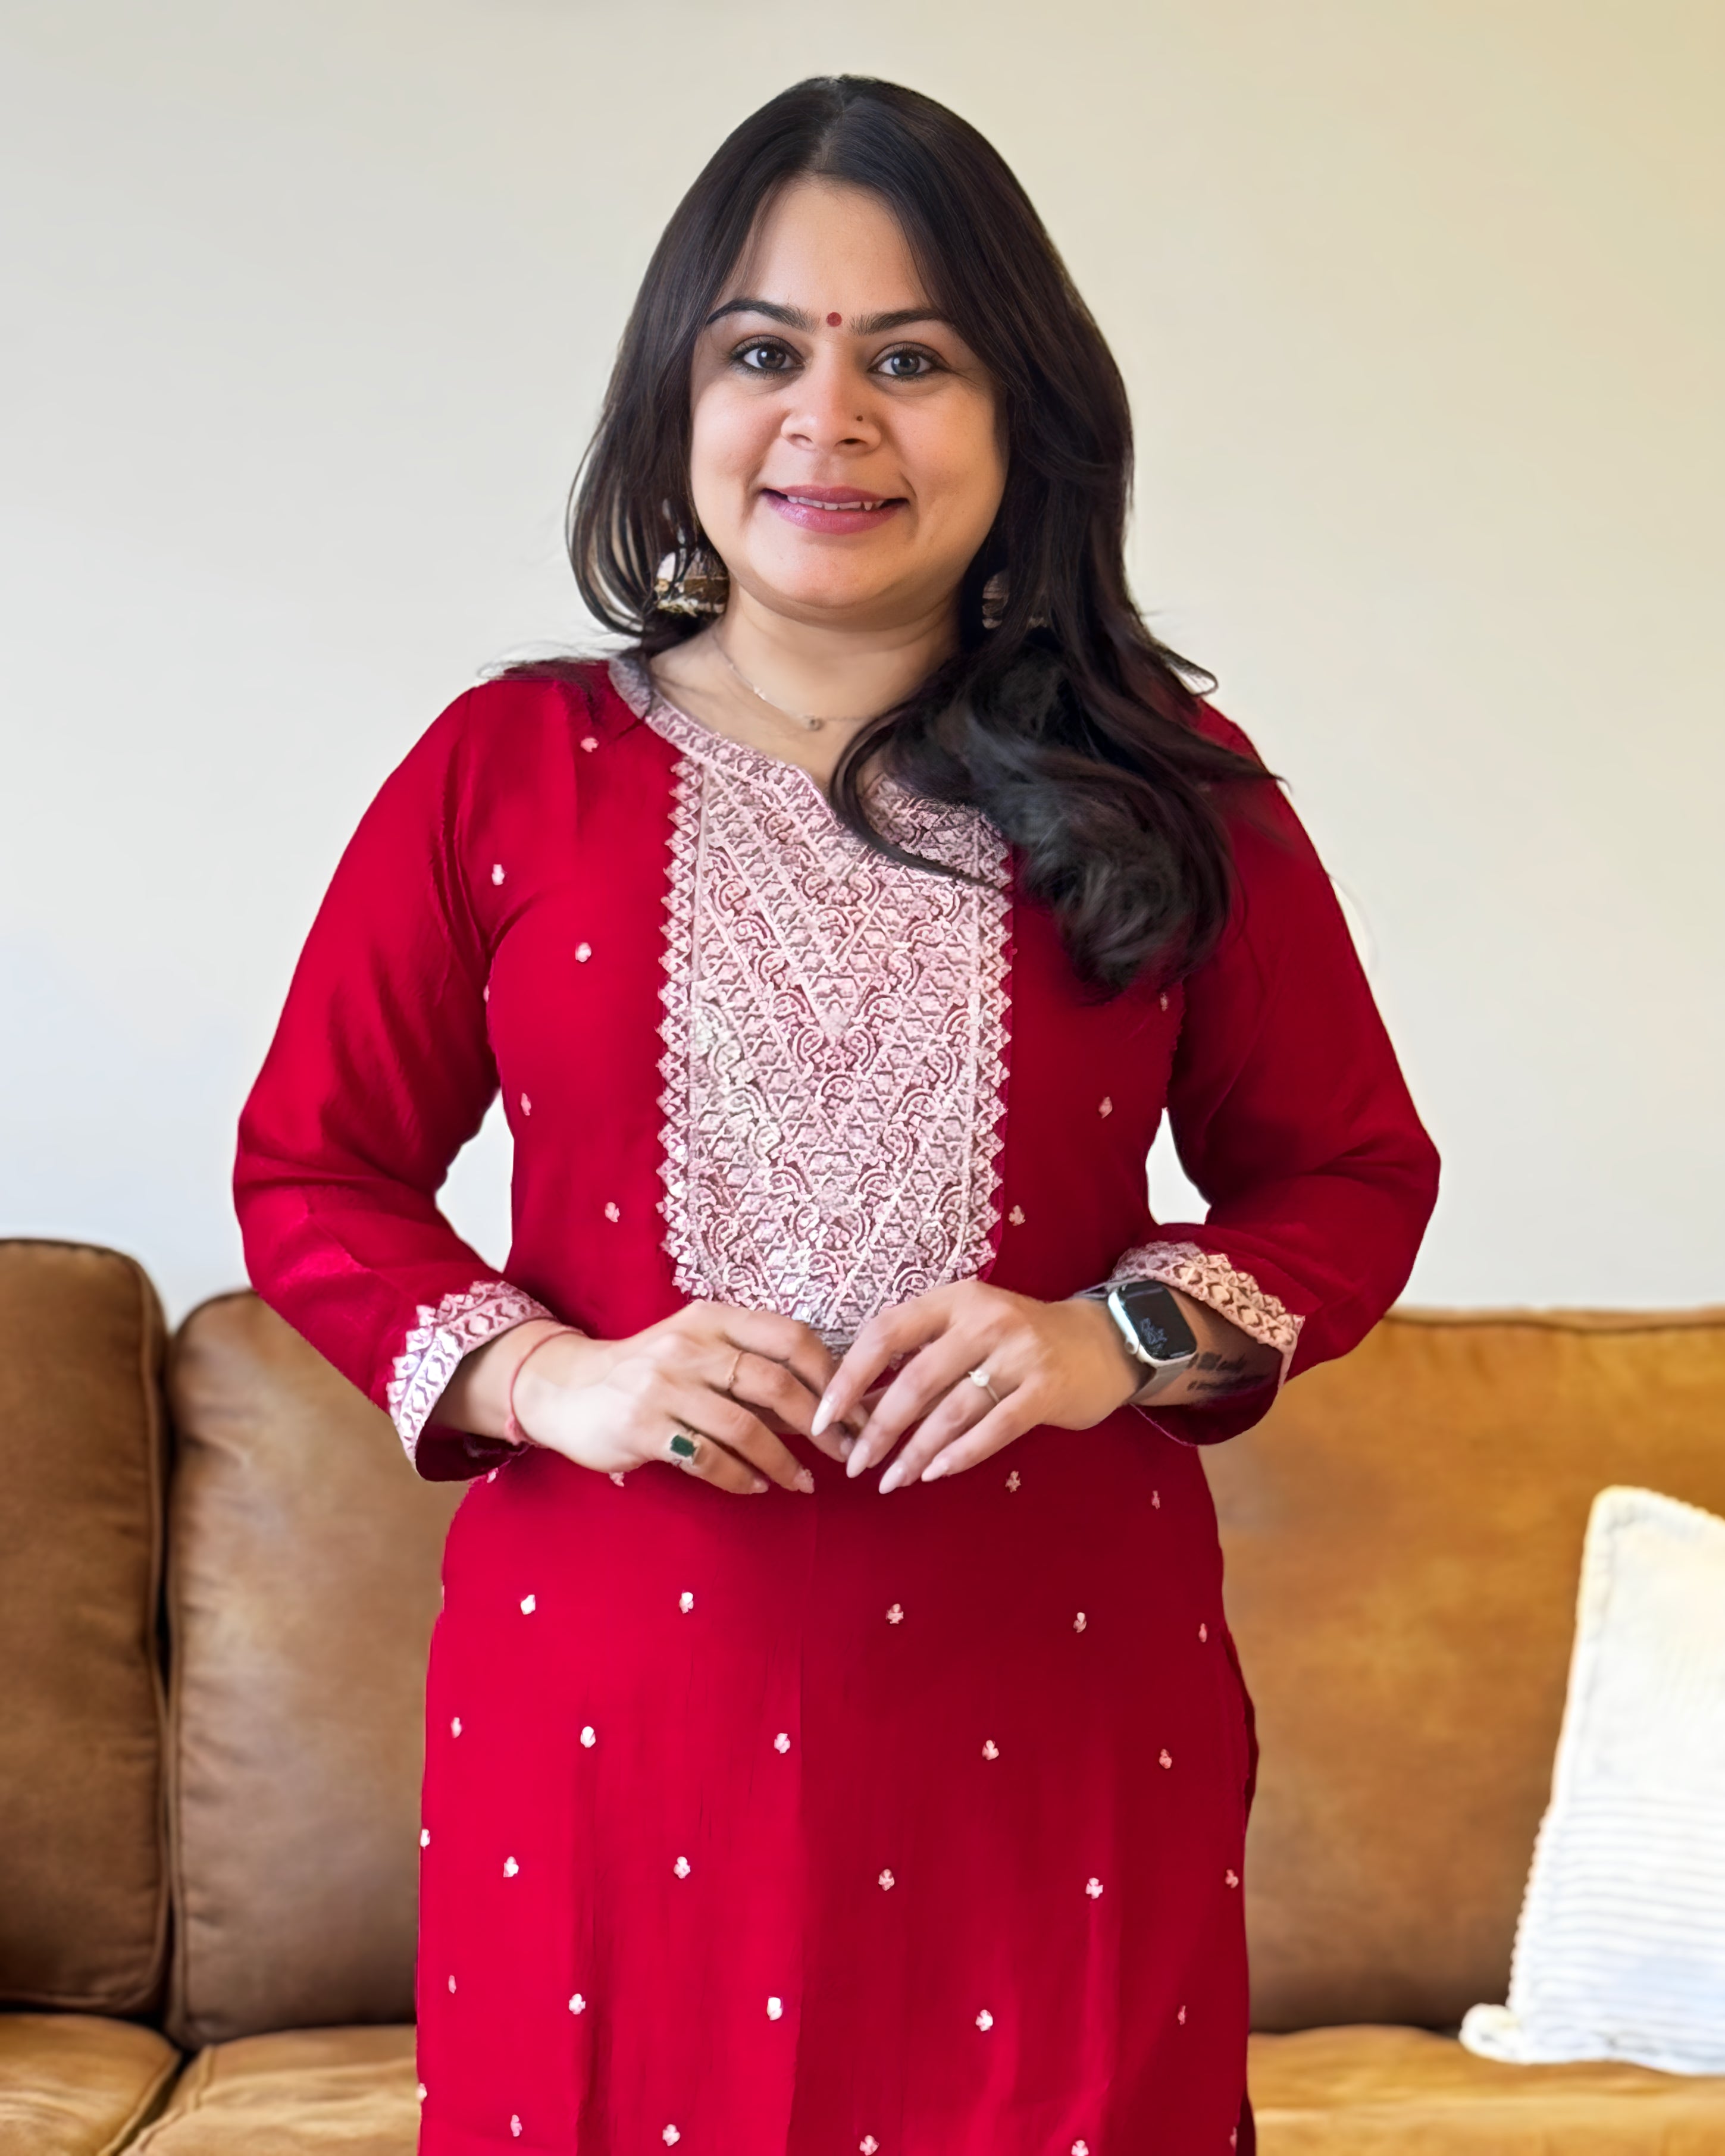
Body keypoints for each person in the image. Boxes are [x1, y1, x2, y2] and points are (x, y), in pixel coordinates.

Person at [236, 74, 1438, 2156]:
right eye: (763, 354)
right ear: (674, 402)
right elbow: (315, 1170)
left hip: (1050, 1708)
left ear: (1022, 412)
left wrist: (1111, 1337)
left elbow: (1345, 1173)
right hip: (610, 1719)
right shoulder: (504, 770)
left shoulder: (1169, 781)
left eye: (911, 360)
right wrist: (550, 1378)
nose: (829, 420)